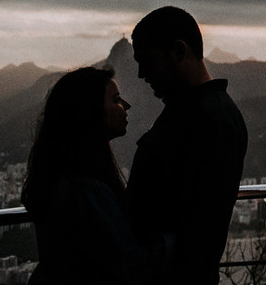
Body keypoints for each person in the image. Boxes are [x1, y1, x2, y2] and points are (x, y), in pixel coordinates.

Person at [124, 6, 248, 285]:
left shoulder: (208, 119)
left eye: (147, 60)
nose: (142, 74)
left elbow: (200, 230)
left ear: (179, 51)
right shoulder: (199, 112)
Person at [22, 67, 164, 285]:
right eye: (116, 99)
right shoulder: (86, 189)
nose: (126, 105)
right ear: (88, 111)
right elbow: (131, 265)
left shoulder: (60, 176)